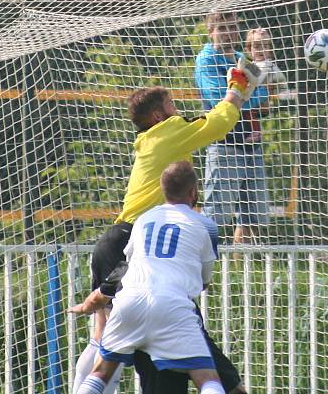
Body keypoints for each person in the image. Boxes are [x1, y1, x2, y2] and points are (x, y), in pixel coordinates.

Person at [74, 59, 263, 394]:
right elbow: (217, 124)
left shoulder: (154, 138)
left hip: (120, 240)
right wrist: (237, 86)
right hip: (133, 243)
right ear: (159, 116)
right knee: (124, 344)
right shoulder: (167, 133)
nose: (178, 110)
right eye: (172, 105)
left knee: (107, 340)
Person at [76, 162, 225, 394]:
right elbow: (204, 281)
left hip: (129, 301)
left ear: (162, 189)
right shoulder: (205, 225)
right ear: (194, 191)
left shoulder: (143, 220)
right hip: (172, 304)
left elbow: (127, 265)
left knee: (100, 373)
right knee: (208, 379)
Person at [195, 12, 270, 244]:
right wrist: (245, 93)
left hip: (251, 144)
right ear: (211, 32)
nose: (229, 33)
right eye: (223, 28)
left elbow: (263, 93)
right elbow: (220, 98)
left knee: (250, 219)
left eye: (233, 27)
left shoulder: (240, 58)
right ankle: (207, 274)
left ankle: (240, 277)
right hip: (225, 146)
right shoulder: (206, 61)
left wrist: (242, 93)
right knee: (216, 217)